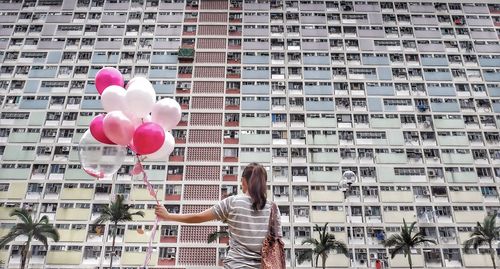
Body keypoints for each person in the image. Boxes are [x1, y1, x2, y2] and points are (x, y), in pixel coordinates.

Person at [155, 163, 282, 269]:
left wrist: (168, 216)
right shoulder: (273, 208)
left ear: (243, 181)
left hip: (235, 265)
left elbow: (198, 218)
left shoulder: (232, 202)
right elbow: (277, 243)